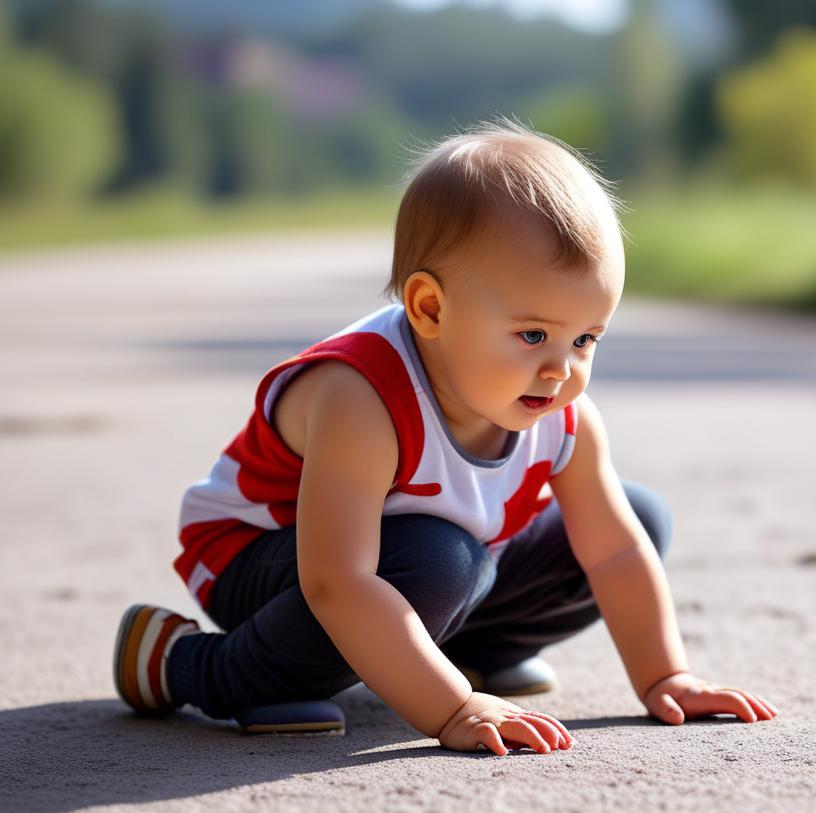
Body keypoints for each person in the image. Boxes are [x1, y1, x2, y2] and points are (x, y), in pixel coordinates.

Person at [112, 119, 778, 756]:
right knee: (440, 561)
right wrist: (452, 708)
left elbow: (613, 554)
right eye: (533, 335)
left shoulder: (563, 413)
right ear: (431, 308)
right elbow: (335, 581)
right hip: (262, 558)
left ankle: (461, 647)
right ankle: (190, 666)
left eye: (586, 339)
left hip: (430, 562)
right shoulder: (363, 397)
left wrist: (666, 677)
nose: (561, 369)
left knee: (636, 518)